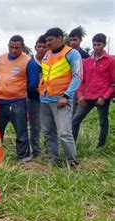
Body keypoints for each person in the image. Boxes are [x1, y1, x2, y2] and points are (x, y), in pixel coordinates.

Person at [39, 27, 82, 167]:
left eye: (51, 40)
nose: (48, 43)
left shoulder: (72, 53)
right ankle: (54, 160)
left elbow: (78, 76)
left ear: (60, 38)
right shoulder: (47, 55)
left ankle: (72, 162)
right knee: (48, 133)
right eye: (47, 41)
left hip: (61, 99)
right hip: (45, 99)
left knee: (64, 133)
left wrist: (67, 95)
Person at [0, 35, 40, 162]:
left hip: (17, 101)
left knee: (21, 131)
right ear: (8, 46)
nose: (14, 50)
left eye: (17, 48)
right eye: (11, 47)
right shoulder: (0, 59)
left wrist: (18, 89)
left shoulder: (28, 62)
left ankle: (24, 157)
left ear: (22, 47)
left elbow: (33, 83)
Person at [72, 33, 114, 148]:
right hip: (87, 97)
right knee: (75, 120)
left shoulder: (110, 61)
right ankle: (72, 146)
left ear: (104, 45)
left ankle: (100, 146)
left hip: (102, 98)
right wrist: (80, 95)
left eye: (99, 45)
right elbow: (81, 80)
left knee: (103, 122)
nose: (96, 47)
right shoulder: (87, 62)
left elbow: (113, 83)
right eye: (94, 44)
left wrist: (105, 97)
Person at [26, 35, 47, 158]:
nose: (42, 49)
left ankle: (49, 149)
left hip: (48, 98)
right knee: (35, 127)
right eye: (39, 46)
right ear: (35, 47)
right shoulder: (30, 62)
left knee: (49, 126)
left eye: (44, 46)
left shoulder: (50, 62)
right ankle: (36, 152)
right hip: (33, 98)